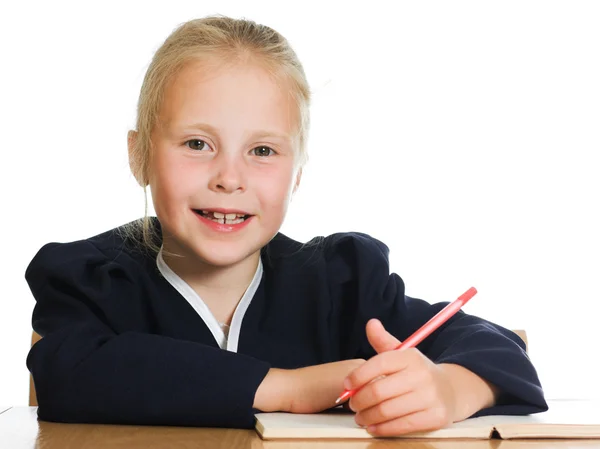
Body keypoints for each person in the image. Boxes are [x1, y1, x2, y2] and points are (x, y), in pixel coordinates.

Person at [25, 15, 547, 436]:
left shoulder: (342, 282)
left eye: (263, 151)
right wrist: (292, 388)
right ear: (139, 155)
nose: (229, 178)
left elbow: (500, 349)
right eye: (196, 144)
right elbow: (69, 374)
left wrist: (449, 391)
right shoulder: (89, 279)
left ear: (296, 175)